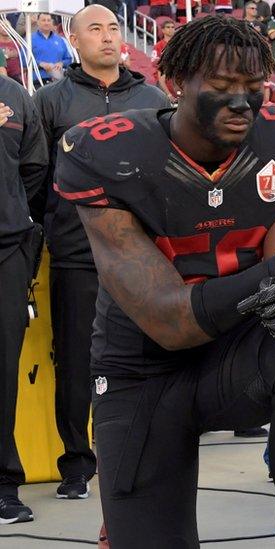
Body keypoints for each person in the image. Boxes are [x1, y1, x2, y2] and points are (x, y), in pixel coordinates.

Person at [54, 16, 275, 546]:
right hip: (143, 368)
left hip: (236, 354)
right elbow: (169, 320)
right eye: (222, 89)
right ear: (177, 84)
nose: (242, 102)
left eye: (252, 88)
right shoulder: (108, 152)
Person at [32, 5, 172, 501]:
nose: (109, 37)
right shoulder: (51, 101)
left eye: (114, 28)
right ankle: (77, 463)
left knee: (146, 358)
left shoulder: (153, 98)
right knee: (75, 362)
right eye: (96, 29)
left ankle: (143, 455)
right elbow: (36, 177)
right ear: (74, 39)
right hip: (76, 253)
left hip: (143, 255)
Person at [0, 66, 47, 527]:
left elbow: (34, 168)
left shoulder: (13, 94)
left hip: (6, 248)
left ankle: (3, 483)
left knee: (3, 370)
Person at [31, 13, 73, 85]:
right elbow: (23, 61)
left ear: (52, 22)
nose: (46, 23)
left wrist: (61, 63)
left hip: (58, 81)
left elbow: (68, 59)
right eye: (43, 20)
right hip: (38, 80)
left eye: (48, 20)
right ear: (38, 22)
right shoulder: (30, 39)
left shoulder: (60, 40)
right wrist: (40, 64)